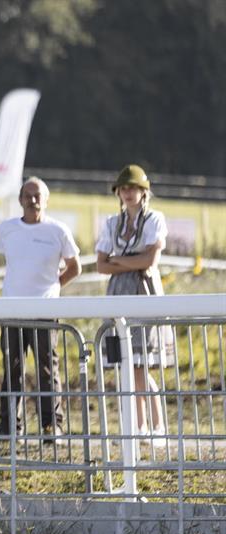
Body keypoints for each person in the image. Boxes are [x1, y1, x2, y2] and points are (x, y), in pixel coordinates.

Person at [0, 177, 81, 439]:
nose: (33, 200)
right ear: (20, 199)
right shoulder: (7, 229)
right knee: (13, 368)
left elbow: (75, 266)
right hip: (12, 309)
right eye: (28, 195)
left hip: (45, 309)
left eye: (38, 196)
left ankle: (51, 425)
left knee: (47, 369)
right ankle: (10, 426)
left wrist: (54, 286)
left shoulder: (58, 231)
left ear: (46, 200)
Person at [95, 164, 173, 441]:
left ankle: (156, 425)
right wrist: (130, 263)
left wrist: (118, 261)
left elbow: (149, 262)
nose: (128, 193)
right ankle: (137, 426)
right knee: (125, 364)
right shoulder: (111, 223)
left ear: (143, 192)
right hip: (118, 292)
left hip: (144, 290)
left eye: (133, 188)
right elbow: (101, 266)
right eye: (124, 188)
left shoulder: (154, 219)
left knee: (141, 364)